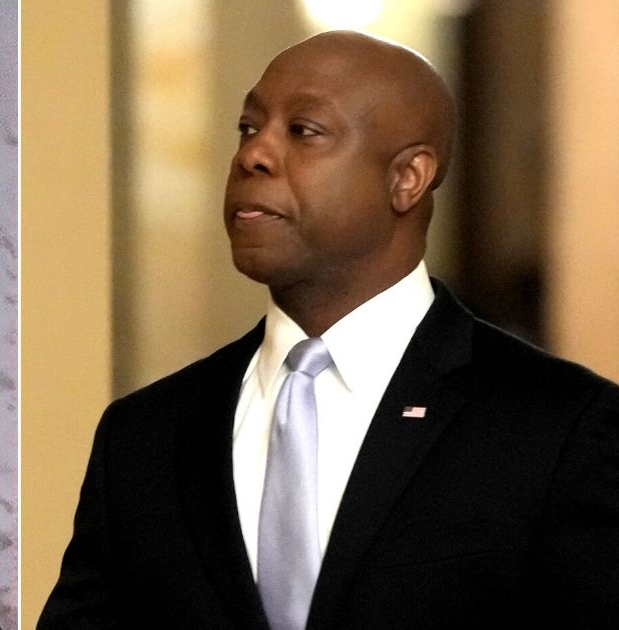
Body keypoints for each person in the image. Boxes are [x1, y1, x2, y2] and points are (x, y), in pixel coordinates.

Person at [39, 31, 619, 629]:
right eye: (247, 127)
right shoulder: (143, 437)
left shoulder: (558, 428)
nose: (252, 155)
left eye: (302, 131)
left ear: (408, 178)